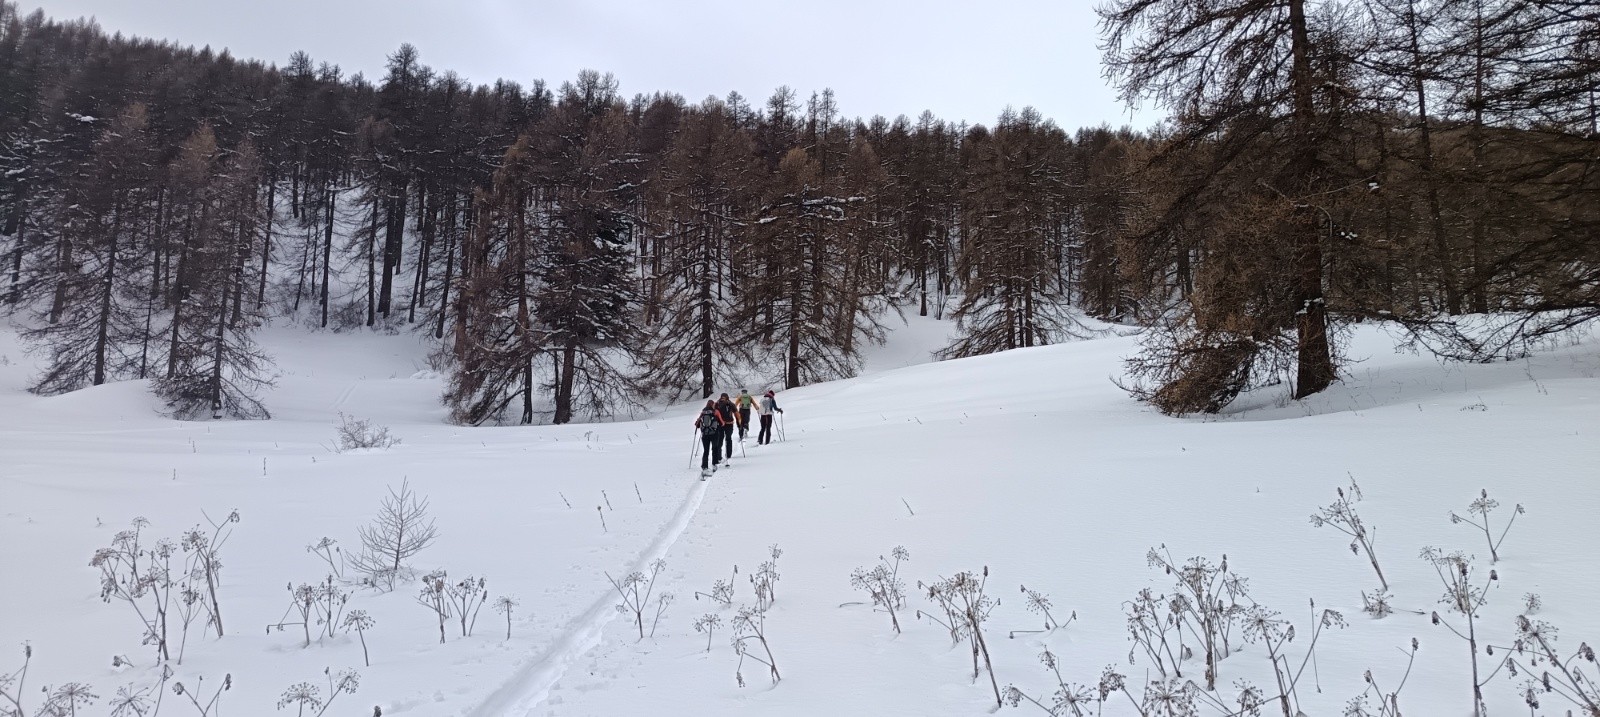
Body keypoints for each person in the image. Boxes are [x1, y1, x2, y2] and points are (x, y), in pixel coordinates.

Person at [694, 399, 726, 476]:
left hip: (705, 434)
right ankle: (714, 464)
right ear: (712, 405)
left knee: (706, 450)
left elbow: (697, 424)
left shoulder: (703, 412)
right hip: (714, 434)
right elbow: (722, 423)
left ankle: (704, 466)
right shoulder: (716, 412)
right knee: (714, 449)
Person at [715, 393, 739, 460]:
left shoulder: (717, 404)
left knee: (719, 440)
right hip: (729, 424)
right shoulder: (731, 404)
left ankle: (718, 456)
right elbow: (736, 413)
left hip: (720, 424)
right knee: (728, 439)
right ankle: (728, 455)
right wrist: (739, 423)